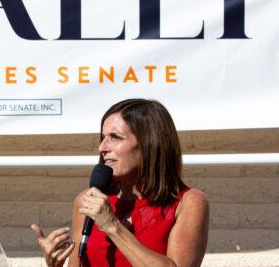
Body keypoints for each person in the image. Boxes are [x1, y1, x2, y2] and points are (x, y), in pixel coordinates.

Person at [31, 99, 209, 267]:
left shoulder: (188, 202)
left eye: (115, 137)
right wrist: (55, 263)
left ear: (149, 144)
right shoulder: (87, 201)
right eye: (103, 138)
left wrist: (112, 226)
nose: (102, 148)